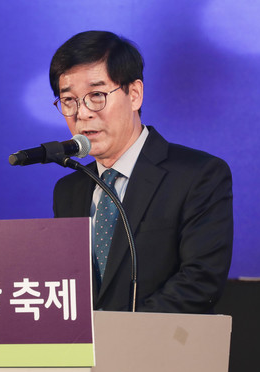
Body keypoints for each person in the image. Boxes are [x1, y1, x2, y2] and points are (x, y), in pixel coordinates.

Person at [51, 30, 234, 314]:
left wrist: (120, 332)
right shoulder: (69, 190)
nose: (82, 113)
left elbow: (200, 281)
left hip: (161, 341)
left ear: (134, 94)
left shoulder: (198, 176)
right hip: (87, 345)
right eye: (69, 100)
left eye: (96, 95)